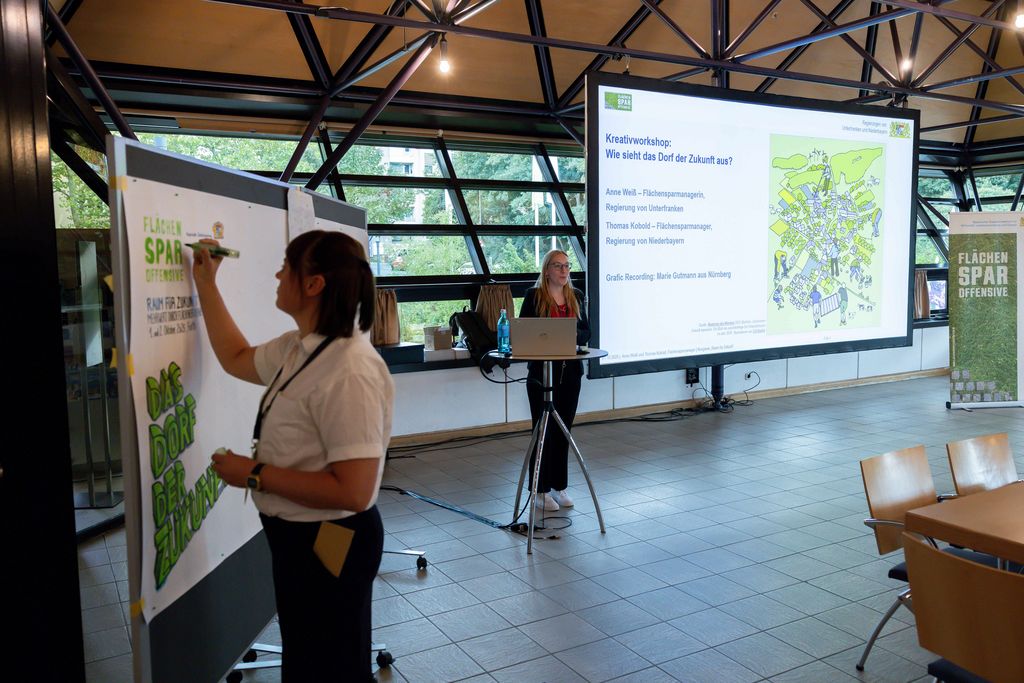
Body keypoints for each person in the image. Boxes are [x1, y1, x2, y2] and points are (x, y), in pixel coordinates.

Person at [192, 230, 393, 681]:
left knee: (329, 666)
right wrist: (207, 284)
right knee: (309, 659)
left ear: (314, 284)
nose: (278, 273)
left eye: (287, 264)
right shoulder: (298, 347)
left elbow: (355, 491)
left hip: (333, 537)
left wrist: (255, 474)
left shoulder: (350, 370)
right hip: (300, 538)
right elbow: (235, 357)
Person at [519, 249, 590, 512]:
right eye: (558, 266)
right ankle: (539, 490)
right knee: (542, 432)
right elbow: (525, 331)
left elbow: (586, 331)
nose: (564, 271)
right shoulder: (534, 296)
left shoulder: (576, 296)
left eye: (567, 266)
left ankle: (559, 487)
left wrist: (565, 335)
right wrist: (558, 335)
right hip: (541, 375)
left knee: (563, 431)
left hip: (570, 373)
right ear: (546, 269)